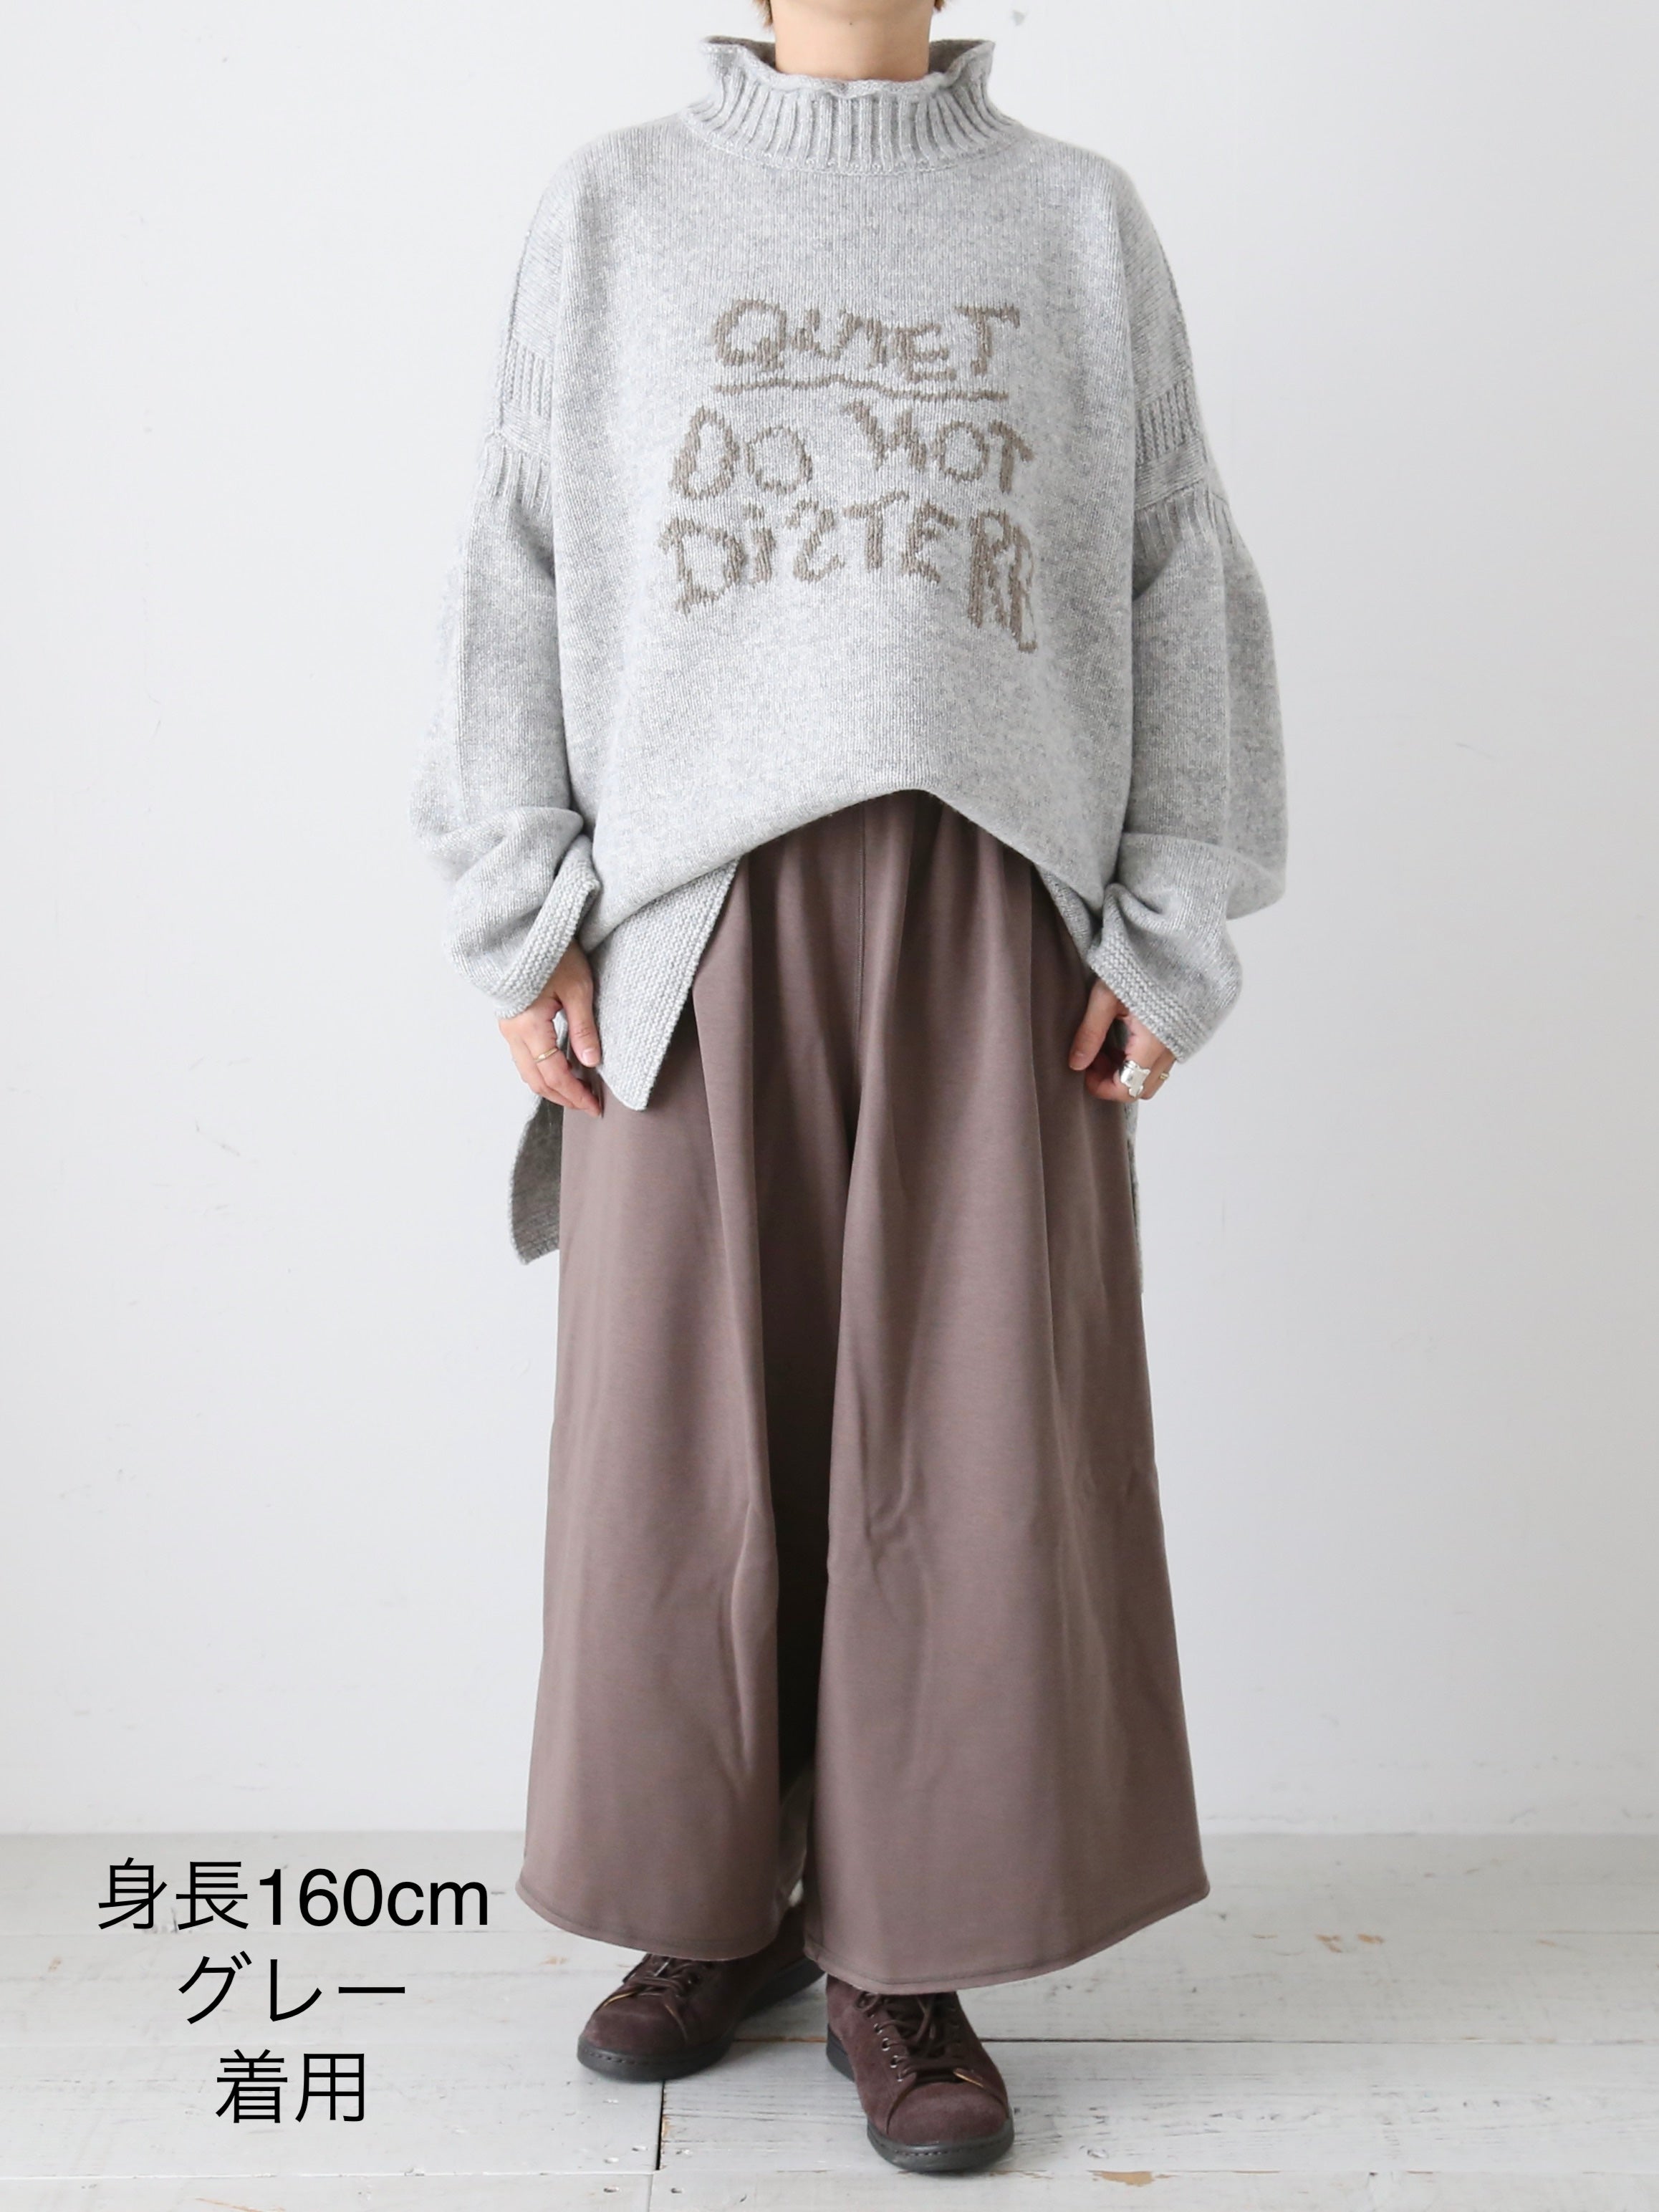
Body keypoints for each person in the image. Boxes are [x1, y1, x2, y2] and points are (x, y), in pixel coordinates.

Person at [412, 0, 1284, 2178]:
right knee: (674, 1445)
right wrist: (518, 906)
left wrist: (1174, 915)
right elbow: (518, 551)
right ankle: (708, 1908)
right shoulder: (616, 210)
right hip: (689, 919)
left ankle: (908, 1954)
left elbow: (1176, 569)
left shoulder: (1074, 222)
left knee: (963, 1450)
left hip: (997, 915)